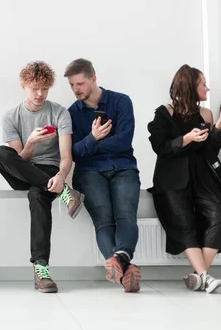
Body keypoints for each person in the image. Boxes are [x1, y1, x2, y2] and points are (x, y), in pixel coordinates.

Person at [0, 61, 82, 293]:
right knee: (1, 152)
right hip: (22, 169)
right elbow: (18, 159)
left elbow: (65, 156)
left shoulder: (59, 113)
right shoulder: (11, 116)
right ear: (24, 86)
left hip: (51, 171)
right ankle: (63, 193)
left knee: (37, 194)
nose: (40, 94)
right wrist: (31, 142)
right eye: (35, 89)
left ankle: (41, 271)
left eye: (44, 88)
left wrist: (62, 176)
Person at [148, 64, 221, 293]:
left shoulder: (206, 114)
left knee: (219, 216)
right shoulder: (164, 113)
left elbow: (210, 151)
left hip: (202, 177)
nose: (208, 88)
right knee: (185, 224)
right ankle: (205, 276)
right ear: (189, 87)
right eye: (203, 84)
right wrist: (186, 138)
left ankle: (199, 276)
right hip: (172, 178)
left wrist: (219, 129)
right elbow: (160, 147)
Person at [64, 58, 141, 292]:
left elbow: (124, 140)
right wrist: (93, 138)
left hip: (123, 167)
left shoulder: (121, 101)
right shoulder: (71, 113)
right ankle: (124, 270)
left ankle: (119, 264)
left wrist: (91, 145)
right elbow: (74, 152)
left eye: (80, 84)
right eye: (72, 85)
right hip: (88, 172)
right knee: (104, 221)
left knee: (126, 216)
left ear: (93, 78)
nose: (76, 90)